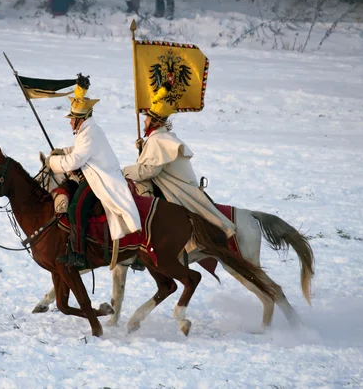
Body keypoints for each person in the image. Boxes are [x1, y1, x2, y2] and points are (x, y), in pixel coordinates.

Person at [46, 75, 142, 268]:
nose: (70, 122)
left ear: (80, 120)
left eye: (72, 119)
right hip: (93, 177)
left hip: (101, 181)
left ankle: (79, 254)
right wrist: (62, 151)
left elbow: (75, 160)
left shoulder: (89, 133)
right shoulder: (87, 131)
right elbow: (77, 151)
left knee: (75, 208)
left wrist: (53, 161)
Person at [122, 83, 236, 239]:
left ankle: (146, 234)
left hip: (178, 190)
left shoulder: (158, 140)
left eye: (147, 118)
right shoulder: (160, 138)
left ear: (155, 122)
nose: (144, 121)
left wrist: (123, 172)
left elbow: (149, 171)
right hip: (173, 184)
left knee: (142, 188)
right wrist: (143, 149)